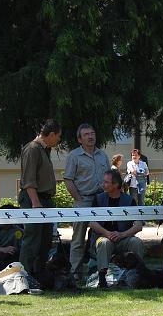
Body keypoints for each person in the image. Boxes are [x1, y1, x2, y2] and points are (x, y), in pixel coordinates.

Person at [63, 123, 110, 284]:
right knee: (78, 239)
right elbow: (68, 180)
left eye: (92, 133)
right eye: (86, 134)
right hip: (83, 200)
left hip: (101, 200)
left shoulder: (102, 155)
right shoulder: (74, 156)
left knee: (102, 236)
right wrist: (78, 199)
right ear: (79, 139)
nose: (90, 136)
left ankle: (100, 273)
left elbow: (109, 178)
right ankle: (75, 274)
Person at [18, 119, 61, 280]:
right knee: (32, 239)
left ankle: (39, 275)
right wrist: (36, 204)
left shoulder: (44, 150)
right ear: (50, 135)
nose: (58, 140)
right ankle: (24, 277)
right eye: (58, 136)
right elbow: (29, 180)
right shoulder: (32, 149)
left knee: (45, 240)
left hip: (44, 200)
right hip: (34, 200)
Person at [89, 169, 145, 289]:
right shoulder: (98, 199)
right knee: (103, 243)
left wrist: (122, 234)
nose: (103, 184)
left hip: (123, 238)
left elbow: (138, 225)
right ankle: (102, 279)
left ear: (116, 185)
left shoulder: (129, 200)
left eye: (106, 182)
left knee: (137, 242)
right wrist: (107, 233)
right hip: (103, 237)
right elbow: (92, 223)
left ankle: (139, 275)